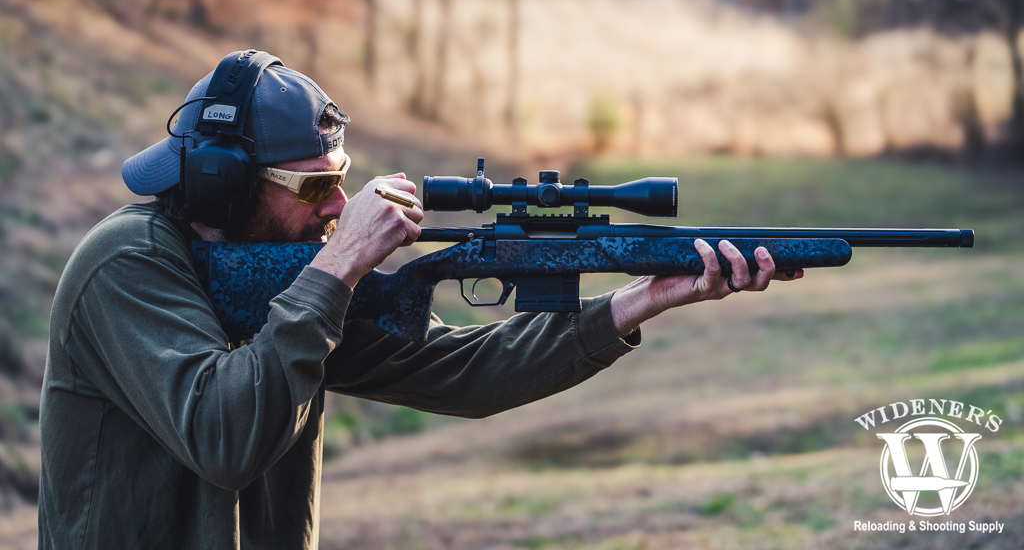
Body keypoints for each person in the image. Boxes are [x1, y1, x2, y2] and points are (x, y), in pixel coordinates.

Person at [37, 51, 802, 550]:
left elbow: (454, 373)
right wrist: (335, 272)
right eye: (315, 188)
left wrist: (637, 302)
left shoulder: (293, 273)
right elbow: (223, 438)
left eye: (342, 179)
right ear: (221, 182)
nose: (337, 207)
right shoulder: (125, 265)